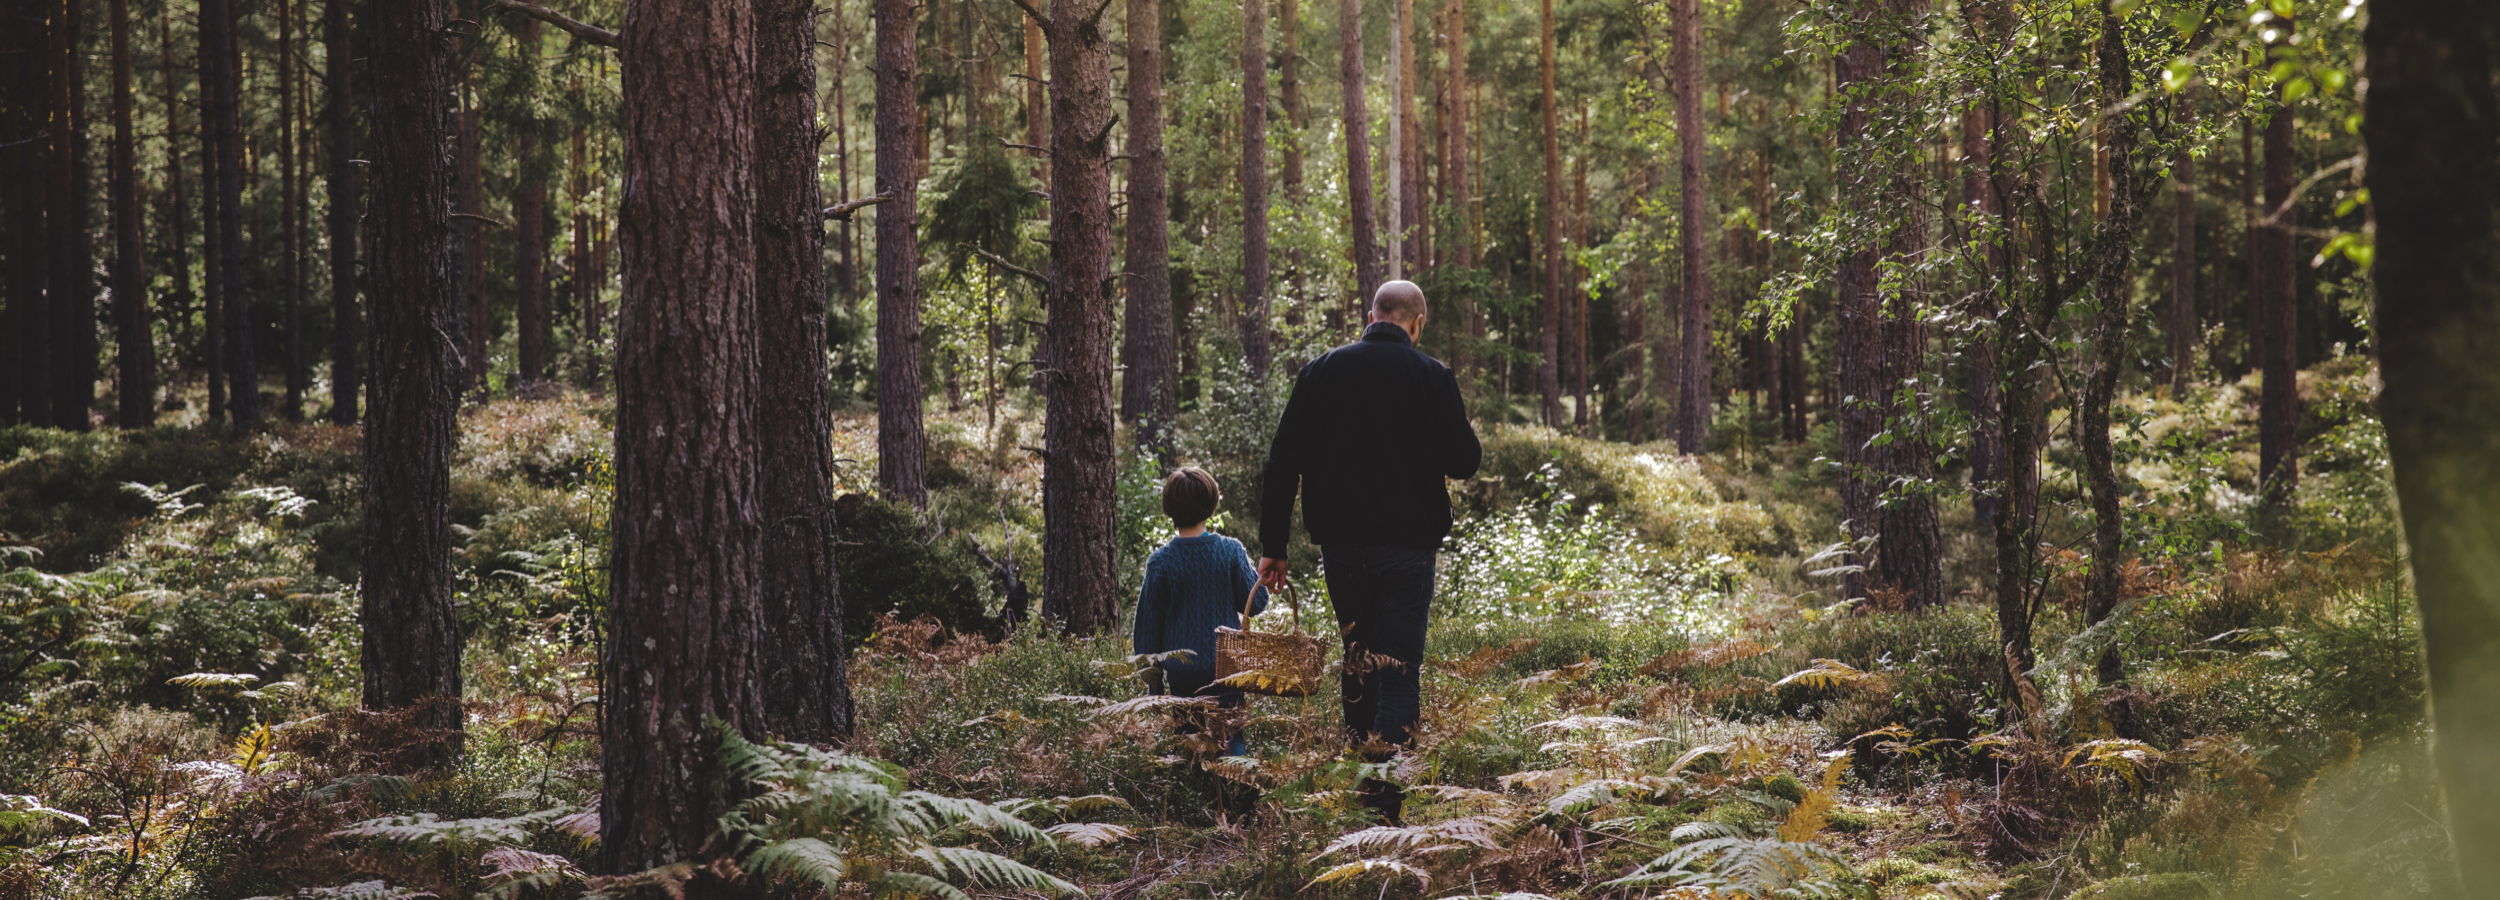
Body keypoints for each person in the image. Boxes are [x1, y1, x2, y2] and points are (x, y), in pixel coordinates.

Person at [1256, 279, 1481, 823]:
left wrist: (1274, 547)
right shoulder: (1431, 375)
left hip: (1343, 547)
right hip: (1409, 549)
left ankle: (1362, 784)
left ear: (1371, 313)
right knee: (1399, 669)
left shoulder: (1322, 371)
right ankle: (1386, 808)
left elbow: (1283, 462)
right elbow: (1464, 461)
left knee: (1359, 661)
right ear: (1416, 322)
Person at [1132, 467, 1269, 757]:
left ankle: (1194, 792)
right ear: (1211, 505)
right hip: (1225, 668)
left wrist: (1153, 682)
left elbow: (1147, 628)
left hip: (1181, 672)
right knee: (1231, 740)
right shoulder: (1230, 551)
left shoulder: (1161, 561)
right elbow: (1256, 604)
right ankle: (1236, 793)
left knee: (1186, 745)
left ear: (1169, 509)